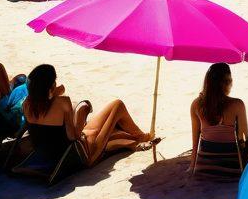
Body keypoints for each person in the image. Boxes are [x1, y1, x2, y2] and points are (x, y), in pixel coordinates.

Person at [21, 64, 154, 165]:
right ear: (51, 86)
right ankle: (142, 137)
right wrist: (81, 114)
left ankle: (135, 140)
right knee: (117, 105)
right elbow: (74, 136)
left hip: (50, 157)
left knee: (100, 129)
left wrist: (55, 92)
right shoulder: (63, 102)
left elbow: (48, 124)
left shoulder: (26, 105)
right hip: (78, 156)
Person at [189, 62, 248, 164]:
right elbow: (242, 141)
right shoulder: (238, 104)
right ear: (228, 82)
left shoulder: (196, 104)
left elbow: (195, 143)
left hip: (204, 167)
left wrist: (192, 166)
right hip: (231, 168)